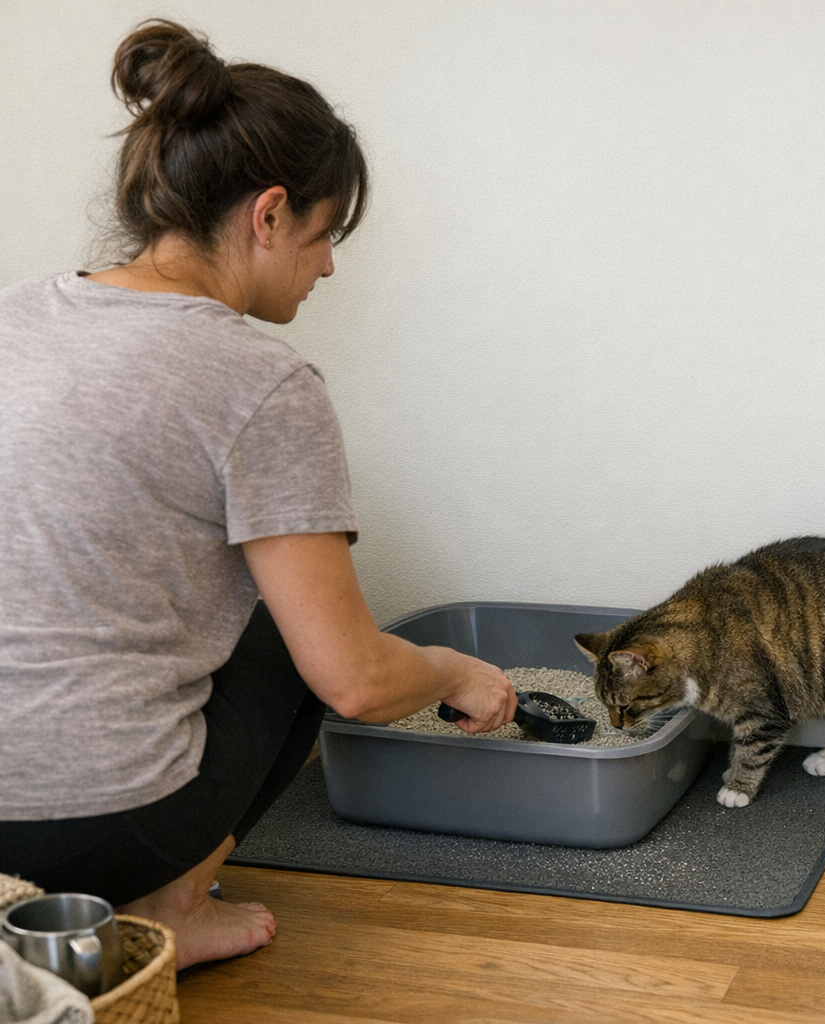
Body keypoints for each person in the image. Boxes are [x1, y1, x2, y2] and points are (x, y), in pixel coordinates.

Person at [0, 20, 518, 970]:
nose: (327, 268)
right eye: (325, 237)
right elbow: (355, 682)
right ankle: (170, 905)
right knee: (304, 627)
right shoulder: (264, 383)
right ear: (269, 214)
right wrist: (451, 671)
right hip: (77, 837)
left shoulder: (17, 314)